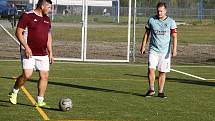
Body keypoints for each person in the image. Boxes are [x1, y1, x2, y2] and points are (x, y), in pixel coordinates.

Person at [8, 0, 54, 107]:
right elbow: (18, 32)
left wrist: (51, 52)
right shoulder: (27, 16)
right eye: (49, 7)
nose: (50, 10)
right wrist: (27, 47)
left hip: (43, 53)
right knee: (27, 75)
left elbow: (48, 37)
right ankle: (14, 91)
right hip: (29, 52)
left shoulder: (47, 19)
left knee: (44, 76)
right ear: (42, 6)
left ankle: (40, 100)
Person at [140, 2, 177, 98]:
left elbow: (174, 36)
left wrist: (174, 49)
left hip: (165, 52)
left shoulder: (171, 22)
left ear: (165, 11)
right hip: (153, 50)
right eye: (158, 11)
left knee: (162, 72)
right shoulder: (151, 20)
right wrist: (143, 46)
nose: (159, 13)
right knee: (151, 69)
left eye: (161, 11)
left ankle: (160, 92)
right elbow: (147, 34)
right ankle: (151, 89)